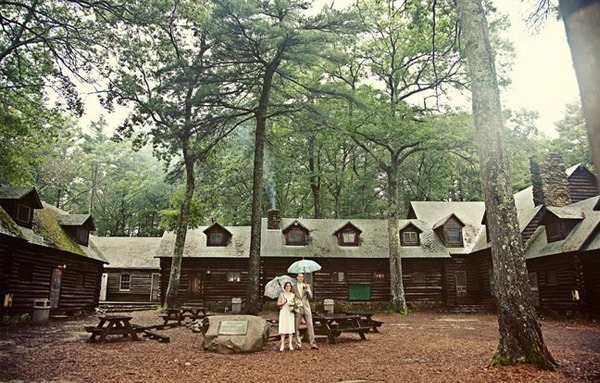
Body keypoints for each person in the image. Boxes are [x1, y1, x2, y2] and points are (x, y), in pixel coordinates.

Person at [292, 273, 318, 350]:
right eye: (299, 276)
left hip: (306, 307)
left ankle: (313, 343)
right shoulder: (293, 287)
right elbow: (292, 297)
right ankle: (298, 344)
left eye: (302, 277)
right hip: (298, 308)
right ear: (296, 277)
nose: (301, 278)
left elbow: (310, 297)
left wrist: (308, 291)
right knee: (296, 326)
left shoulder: (306, 286)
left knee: (310, 325)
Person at [277, 281, 295, 351]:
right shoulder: (282, 294)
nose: (288, 287)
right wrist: (282, 303)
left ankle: (290, 344)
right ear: (285, 287)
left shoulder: (293, 295)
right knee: (283, 327)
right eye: (287, 286)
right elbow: (278, 303)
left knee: (290, 327)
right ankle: (282, 344)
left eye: (289, 286)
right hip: (284, 311)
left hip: (290, 312)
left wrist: (294, 307)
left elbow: (294, 303)